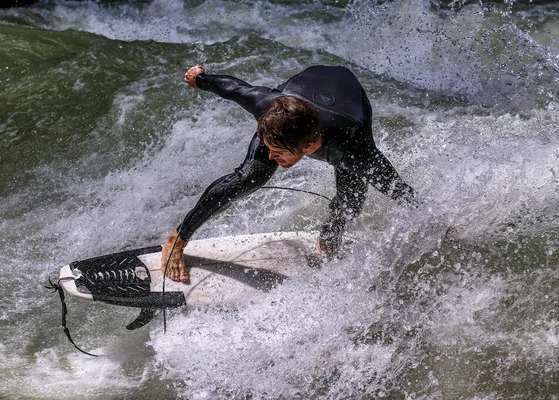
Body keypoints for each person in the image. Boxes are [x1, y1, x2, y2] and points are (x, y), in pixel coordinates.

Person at [161, 64, 415, 283]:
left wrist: (437, 225)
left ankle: (328, 241)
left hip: (349, 99)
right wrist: (199, 78)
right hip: (300, 93)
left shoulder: (354, 149)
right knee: (249, 176)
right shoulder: (269, 106)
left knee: (351, 201)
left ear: (307, 148)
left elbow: (404, 193)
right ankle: (178, 238)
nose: (271, 156)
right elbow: (234, 88)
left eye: (278, 152)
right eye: (269, 147)